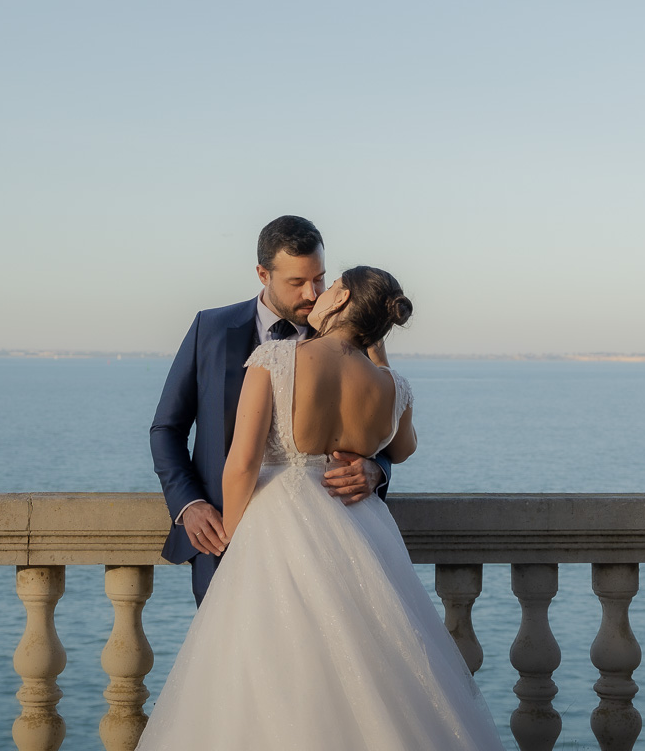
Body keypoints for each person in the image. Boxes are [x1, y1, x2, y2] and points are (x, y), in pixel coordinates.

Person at [137, 266, 503, 750]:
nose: (318, 293)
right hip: (361, 529)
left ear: (341, 297)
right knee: (373, 667)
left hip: (278, 525)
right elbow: (403, 448)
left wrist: (233, 534)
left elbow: (242, 463)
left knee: (274, 672)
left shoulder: (277, 358)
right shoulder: (393, 386)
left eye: (329, 286)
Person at [150, 216, 390, 603]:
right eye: (297, 282)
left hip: (322, 544)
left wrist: (376, 470)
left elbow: (386, 428)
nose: (312, 293)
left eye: (320, 278)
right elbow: (166, 428)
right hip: (220, 541)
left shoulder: (349, 340)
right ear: (263, 273)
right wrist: (188, 504)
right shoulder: (208, 328)